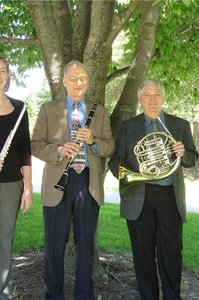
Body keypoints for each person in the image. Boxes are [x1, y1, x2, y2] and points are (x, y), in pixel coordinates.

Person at [31, 60, 114, 300]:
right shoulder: (49, 109)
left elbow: (110, 145)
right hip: (58, 181)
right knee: (55, 246)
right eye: (74, 78)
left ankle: (84, 295)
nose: (79, 83)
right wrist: (58, 150)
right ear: (65, 81)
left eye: (84, 78)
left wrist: (93, 141)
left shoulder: (99, 110)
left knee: (85, 245)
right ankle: (54, 295)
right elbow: (35, 145)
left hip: (88, 183)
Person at [108, 79, 198, 300]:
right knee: (143, 254)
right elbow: (114, 161)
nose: (152, 99)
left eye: (156, 94)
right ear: (140, 100)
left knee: (171, 254)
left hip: (170, 197)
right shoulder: (129, 127)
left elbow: (192, 159)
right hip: (140, 195)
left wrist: (182, 152)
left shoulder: (180, 125)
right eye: (147, 95)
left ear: (163, 97)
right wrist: (130, 175)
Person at [0, 56, 32, 299]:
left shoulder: (20, 108)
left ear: (8, 75)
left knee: (4, 237)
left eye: (2, 70)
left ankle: (3, 290)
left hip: (11, 184)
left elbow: (24, 151)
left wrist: (28, 188)